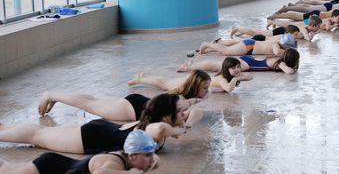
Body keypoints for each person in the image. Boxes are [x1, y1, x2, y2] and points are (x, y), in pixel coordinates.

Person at [0, 93, 194, 154]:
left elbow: (167, 127)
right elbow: (161, 129)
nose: (184, 114)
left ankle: (4, 129)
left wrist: (179, 126)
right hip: (91, 138)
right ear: (166, 116)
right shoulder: (155, 129)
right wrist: (180, 129)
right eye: (179, 112)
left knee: (40, 133)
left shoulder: (153, 126)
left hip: (101, 131)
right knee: (37, 136)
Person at [0, 130, 158, 174]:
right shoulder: (114, 163)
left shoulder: (127, 160)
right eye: (148, 155)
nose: (152, 159)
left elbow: (155, 162)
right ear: (132, 155)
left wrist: (149, 163)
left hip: (53, 166)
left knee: (4, 169)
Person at [39, 70, 211, 121]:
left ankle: (54, 96)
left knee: (92, 100)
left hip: (136, 103)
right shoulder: (181, 99)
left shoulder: (180, 95)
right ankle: (51, 95)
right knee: (88, 105)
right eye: (205, 88)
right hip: (132, 109)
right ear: (195, 88)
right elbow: (186, 107)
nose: (207, 92)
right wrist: (196, 101)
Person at [178, 48, 300, 75]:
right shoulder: (280, 63)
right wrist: (292, 69)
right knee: (216, 67)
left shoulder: (278, 60)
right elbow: (289, 72)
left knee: (217, 65)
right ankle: (188, 67)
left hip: (247, 61)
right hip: (247, 64)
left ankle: (193, 65)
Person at [199, 31, 297, 56]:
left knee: (227, 49)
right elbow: (277, 53)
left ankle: (207, 50)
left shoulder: (276, 43)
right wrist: (288, 52)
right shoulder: (276, 46)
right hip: (249, 46)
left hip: (250, 45)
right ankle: (206, 44)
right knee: (226, 51)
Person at [230, 24, 299, 40]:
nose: (295, 36)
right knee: (253, 32)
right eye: (295, 34)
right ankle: (237, 29)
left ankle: (239, 32)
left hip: (271, 32)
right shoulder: (285, 34)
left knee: (252, 31)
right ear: (290, 32)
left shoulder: (286, 32)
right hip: (268, 34)